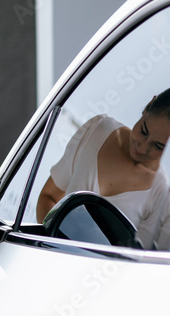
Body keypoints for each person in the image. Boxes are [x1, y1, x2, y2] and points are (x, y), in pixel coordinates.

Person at [36, 89, 170, 248]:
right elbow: (48, 197)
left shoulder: (160, 193)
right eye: (143, 131)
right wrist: (58, 244)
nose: (142, 147)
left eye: (158, 146)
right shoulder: (97, 129)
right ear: (148, 105)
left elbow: (141, 260)